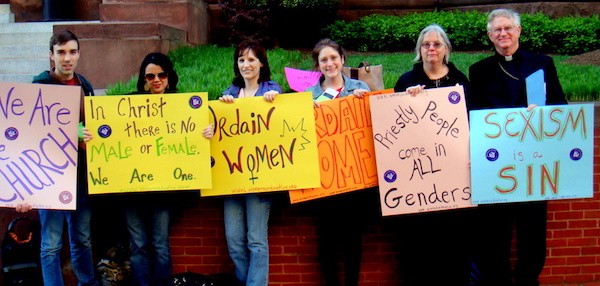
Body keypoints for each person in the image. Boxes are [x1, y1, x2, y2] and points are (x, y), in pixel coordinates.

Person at [468, 8, 567, 286]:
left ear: (519, 31)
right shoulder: (479, 71)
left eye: (508, 28)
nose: (503, 34)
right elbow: (473, 116)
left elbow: (561, 108)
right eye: (497, 30)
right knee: (495, 232)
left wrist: (544, 112)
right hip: (496, 164)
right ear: (489, 36)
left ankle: (527, 280)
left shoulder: (541, 64)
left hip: (534, 163)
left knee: (533, 231)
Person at [392, 24, 473, 286]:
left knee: (454, 243)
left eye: (437, 44)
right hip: (417, 184)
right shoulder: (406, 82)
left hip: (454, 182)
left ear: (446, 49)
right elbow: (394, 129)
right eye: (425, 44)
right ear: (419, 50)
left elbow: (472, 125)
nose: (431, 49)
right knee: (418, 244)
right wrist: (406, 100)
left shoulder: (461, 82)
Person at [124, 52, 213, 286]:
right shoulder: (126, 105)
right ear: (143, 79)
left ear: (169, 77)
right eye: (150, 75)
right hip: (132, 190)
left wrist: (205, 132)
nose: (156, 80)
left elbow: (193, 140)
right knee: (138, 245)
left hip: (162, 191)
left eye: (162, 74)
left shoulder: (182, 106)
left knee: (160, 244)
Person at [305, 38, 377, 286]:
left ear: (343, 60)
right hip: (325, 182)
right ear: (318, 65)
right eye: (323, 60)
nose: (329, 63)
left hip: (354, 181)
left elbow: (374, 126)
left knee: (353, 240)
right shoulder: (308, 96)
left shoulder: (359, 88)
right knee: (326, 241)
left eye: (333, 58)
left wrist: (365, 101)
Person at [30, 29, 99, 286]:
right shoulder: (39, 87)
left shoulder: (86, 85)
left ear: (79, 54)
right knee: (51, 243)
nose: (66, 58)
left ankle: (87, 283)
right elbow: (32, 132)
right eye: (61, 53)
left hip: (80, 175)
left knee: (82, 238)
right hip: (50, 176)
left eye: (71, 52)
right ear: (51, 56)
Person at [218, 40, 282, 286]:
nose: (246, 64)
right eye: (242, 59)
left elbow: (283, 125)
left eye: (252, 59)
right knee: (233, 238)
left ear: (261, 63)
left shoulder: (272, 90)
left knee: (256, 239)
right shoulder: (229, 93)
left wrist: (276, 101)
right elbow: (219, 133)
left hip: (260, 178)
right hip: (232, 177)